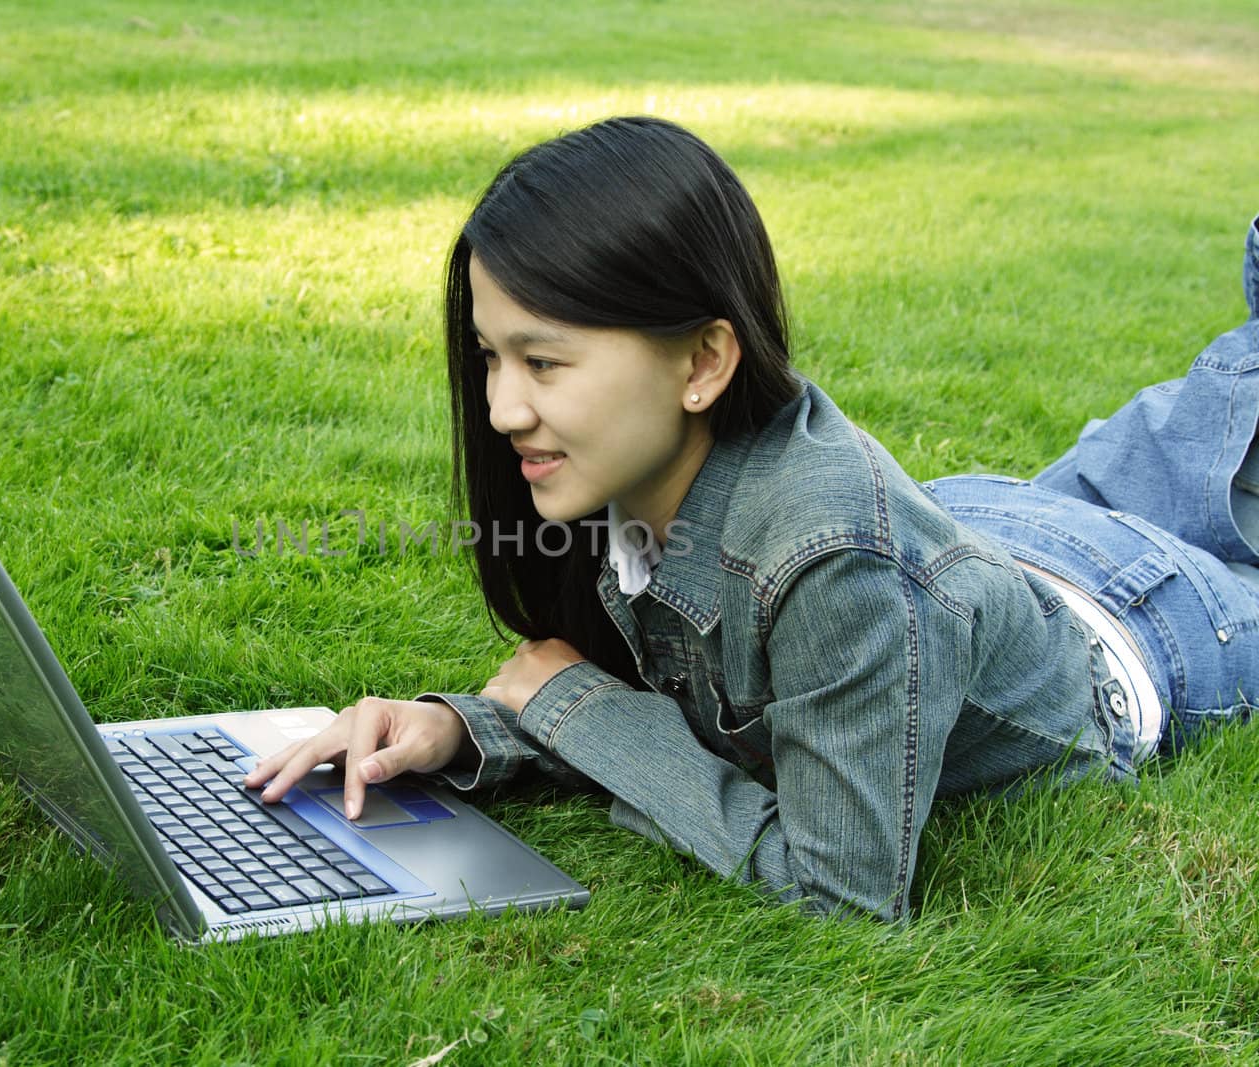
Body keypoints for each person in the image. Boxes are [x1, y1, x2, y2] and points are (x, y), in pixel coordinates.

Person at [246, 116, 1259, 922]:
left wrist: (578, 707)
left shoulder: (833, 570)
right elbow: (677, 700)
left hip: (1145, 629)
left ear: (702, 362)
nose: (505, 407)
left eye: (543, 361)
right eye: (490, 355)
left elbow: (842, 891)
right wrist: (453, 730)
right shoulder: (626, 472)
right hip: (988, 539)